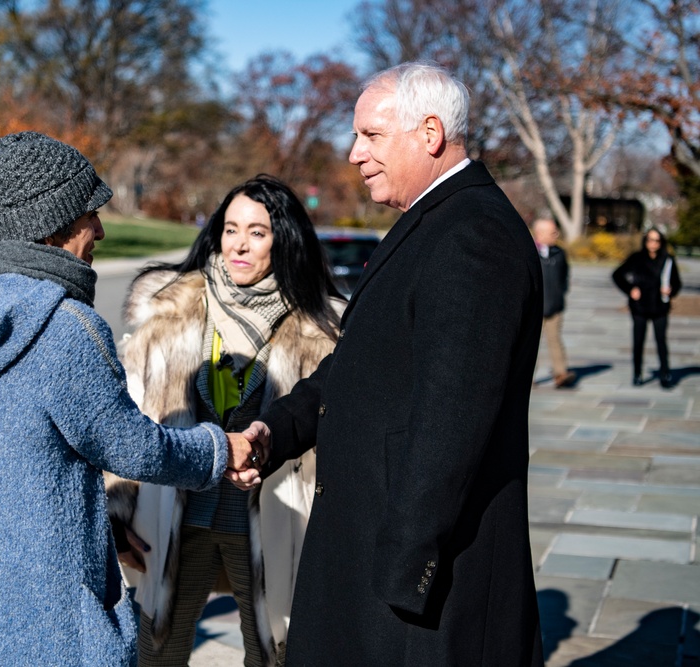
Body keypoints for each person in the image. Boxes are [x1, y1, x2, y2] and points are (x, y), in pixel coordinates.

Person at [0, 131, 263, 665]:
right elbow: (135, 450)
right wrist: (220, 449)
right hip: (49, 623)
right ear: (55, 226)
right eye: (91, 214)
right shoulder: (65, 328)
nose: (102, 230)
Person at [234, 62, 545, 665]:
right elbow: (356, 369)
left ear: (429, 134)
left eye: (370, 136)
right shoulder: (431, 222)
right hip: (370, 565)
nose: (353, 154)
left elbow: (452, 420)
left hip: (417, 595)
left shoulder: (471, 235)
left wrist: (403, 573)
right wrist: (276, 432)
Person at [106, 175, 345, 666]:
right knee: (154, 651)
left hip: (274, 522)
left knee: (275, 653)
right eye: (231, 229)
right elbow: (129, 416)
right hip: (172, 517)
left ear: (284, 240)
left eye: (257, 232)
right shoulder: (168, 312)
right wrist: (116, 509)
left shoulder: (321, 328)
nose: (239, 244)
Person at [612, 228, 682, 387]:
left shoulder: (667, 259)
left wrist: (670, 290)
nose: (653, 243)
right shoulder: (637, 258)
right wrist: (630, 289)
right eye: (650, 240)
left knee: (661, 341)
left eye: (657, 240)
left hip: (660, 307)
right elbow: (617, 275)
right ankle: (637, 373)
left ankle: (665, 373)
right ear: (645, 241)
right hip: (640, 307)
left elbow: (677, 283)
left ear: (661, 242)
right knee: (638, 341)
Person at [533, 217, 576, 388]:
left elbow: (565, 276)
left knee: (555, 340)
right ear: (540, 234)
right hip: (534, 308)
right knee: (531, 344)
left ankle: (561, 374)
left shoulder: (559, 252)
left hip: (555, 306)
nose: (556, 235)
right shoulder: (528, 251)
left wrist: (561, 293)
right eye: (552, 232)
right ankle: (526, 377)